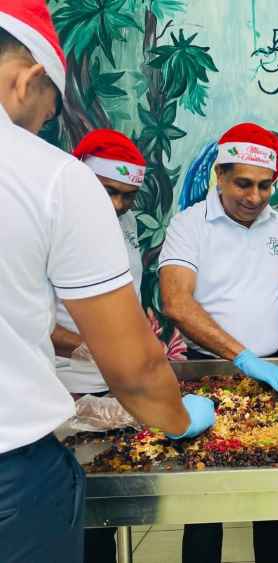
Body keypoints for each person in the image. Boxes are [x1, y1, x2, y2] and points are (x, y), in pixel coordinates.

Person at [0, 3, 214, 562]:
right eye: (47, 114)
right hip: (12, 470)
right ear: (29, 80)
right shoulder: (48, 177)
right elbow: (138, 369)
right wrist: (178, 418)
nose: (42, 126)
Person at [159, 122, 278, 563]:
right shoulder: (189, 226)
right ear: (219, 175)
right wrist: (241, 357)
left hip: (273, 374)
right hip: (209, 376)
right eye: (243, 183)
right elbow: (176, 303)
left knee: (272, 502)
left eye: (265, 186)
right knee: (205, 502)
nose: (255, 197)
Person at [47, 129, 148, 563]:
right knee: (63, 509)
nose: (119, 205)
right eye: (110, 191)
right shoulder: (51, 224)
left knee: (106, 507)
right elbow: (29, 319)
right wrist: (86, 344)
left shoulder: (126, 228)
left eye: (127, 196)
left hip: (113, 389)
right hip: (61, 392)